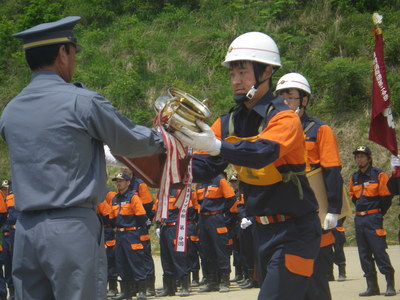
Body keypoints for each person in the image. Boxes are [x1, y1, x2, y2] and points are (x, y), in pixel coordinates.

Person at [0, 16, 165, 299]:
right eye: (73, 53)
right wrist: (167, 139)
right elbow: (130, 140)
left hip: (25, 230)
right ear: (63, 53)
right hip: (71, 228)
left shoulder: (10, 111)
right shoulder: (81, 101)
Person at [174, 31, 321, 300]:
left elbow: (262, 152)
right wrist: (151, 158)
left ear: (266, 71)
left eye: (243, 73)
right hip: (261, 231)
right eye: (232, 74)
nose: (236, 81)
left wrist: (218, 146)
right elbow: (205, 168)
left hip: (294, 231)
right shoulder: (228, 123)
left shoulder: (285, 118)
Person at [275, 72, 343, 300]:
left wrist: (333, 209)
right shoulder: (272, 131)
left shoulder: (319, 129)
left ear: (304, 100)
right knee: (288, 284)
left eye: (290, 95)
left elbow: (332, 170)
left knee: (316, 282)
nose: (284, 100)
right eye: (281, 95)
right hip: (285, 215)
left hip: (315, 214)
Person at [349, 145, 396, 297]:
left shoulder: (378, 175)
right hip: (359, 219)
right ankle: (372, 286)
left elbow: (386, 197)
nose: (359, 159)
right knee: (364, 254)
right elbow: (354, 198)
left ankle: (390, 285)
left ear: (369, 158)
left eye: (362, 156)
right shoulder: (354, 177)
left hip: (373, 218)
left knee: (379, 251)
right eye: (357, 156)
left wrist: (378, 213)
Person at [110, 173, 148, 300]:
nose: (118, 183)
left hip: (131, 234)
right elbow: (111, 218)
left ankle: (142, 291)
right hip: (119, 235)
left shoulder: (133, 197)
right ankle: (126, 292)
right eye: (117, 181)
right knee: (121, 263)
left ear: (128, 182)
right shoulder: (115, 199)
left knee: (136, 261)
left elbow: (142, 216)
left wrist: (135, 229)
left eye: (121, 181)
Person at [196, 174, 237, 293]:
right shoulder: (200, 182)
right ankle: (212, 281)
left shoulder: (220, 180)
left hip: (216, 218)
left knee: (220, 250)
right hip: (203, 219)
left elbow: (231, 198)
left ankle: (225, 281)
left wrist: (221, 209)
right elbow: (198, 202)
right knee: (207, 251)